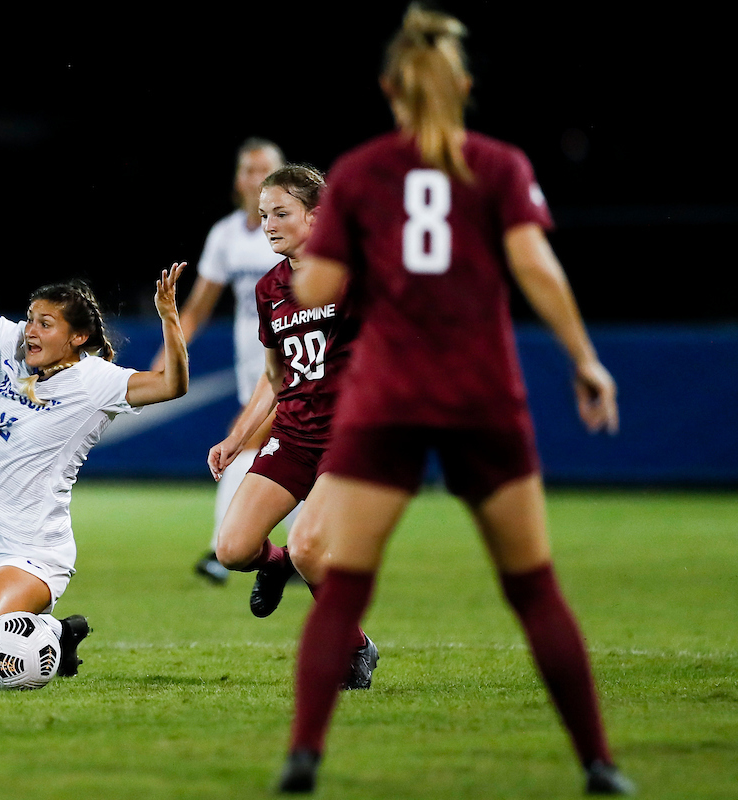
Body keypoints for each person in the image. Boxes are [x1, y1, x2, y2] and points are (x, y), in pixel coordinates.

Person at [275, 6, 633, 795]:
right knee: (533, 587)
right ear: (464, 85)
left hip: (388, 396)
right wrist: (585, 360)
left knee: (347, 584)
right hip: (480, 395)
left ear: (387, 89)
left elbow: (319, 286)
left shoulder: (363, 172)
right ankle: (599, 765)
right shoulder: (498, 165)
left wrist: (328, 266)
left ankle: (302, 757)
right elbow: (536, 267)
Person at [0, 165, 190, 681]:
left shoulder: (97, 381)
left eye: (45, 324)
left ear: (76, 339)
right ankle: (56, 634)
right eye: (30, 318)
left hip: (34, 547)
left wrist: (169, 319)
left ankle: (52, 636)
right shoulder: (9, 348)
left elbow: (171, 385)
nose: (30, 330)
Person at [206, 164, 377, 690]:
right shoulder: (269, 288)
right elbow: (275, 377)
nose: (269, 224)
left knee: (310, 547)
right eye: (263, 215)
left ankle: (357, 648)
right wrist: (238, 437)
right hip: (296, 433)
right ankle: (274, 564)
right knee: (231, 549)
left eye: (281, 213)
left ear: (317, 216)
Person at [168, 137, 285, 584]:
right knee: (294, 458)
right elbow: (197, 308)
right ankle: (306, 555)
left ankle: (224, 548)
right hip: (253, 370)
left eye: (264, 170)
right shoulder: (226, 235)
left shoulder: (297, 231)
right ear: (237, 179)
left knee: (241, 445)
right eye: (248, 170)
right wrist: (167, 358)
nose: (255, 178)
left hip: (295, 367)